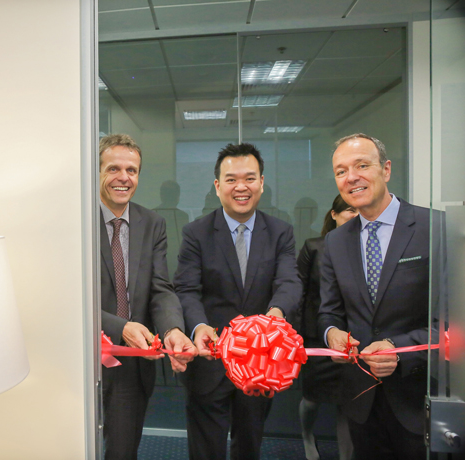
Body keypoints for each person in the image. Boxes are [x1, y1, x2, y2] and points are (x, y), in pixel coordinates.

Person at [173, 142, 302, 460]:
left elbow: (289, 281)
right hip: (210, 359)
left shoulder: (281, 232)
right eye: (231, 179)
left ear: (261, 183)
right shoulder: (196, 233)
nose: (240, 187)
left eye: (249, 178)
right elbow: (187, 289)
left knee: (249, 445)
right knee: (205, 450)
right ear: (217, 186)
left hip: (260, 363)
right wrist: (200, 325)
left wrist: (273, 318)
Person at [317, 133, 436, 460]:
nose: (351, 176)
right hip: (360, 401)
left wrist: (399, 350)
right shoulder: (335, 242)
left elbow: (453, 322)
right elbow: (329, 313)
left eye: (361, 165)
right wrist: (333, 335)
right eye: (341, 171)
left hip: (418, 397)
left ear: (385, 169)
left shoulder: (434, 227)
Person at [99, 134, 197, 460]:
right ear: (97, 172)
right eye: (114, 168)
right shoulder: (75, 221)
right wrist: (120, 326)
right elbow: (64, 297)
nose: (124, 178)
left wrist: (173, 330)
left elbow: (160, 288)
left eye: (132, 170)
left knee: (122, 452)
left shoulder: (152, 223)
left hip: (131, 362)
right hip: (79, 360)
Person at [297, 194, 357, 460]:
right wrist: (296, 336)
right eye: (348, 211)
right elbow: (298, 293)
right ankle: (307, 436)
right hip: (316, 337)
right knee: (312, 397)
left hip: (354, 337)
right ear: (334, 215)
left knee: (349, 401)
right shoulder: (314, 247)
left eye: (358, 211)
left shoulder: (366, 247)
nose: (354, 216)